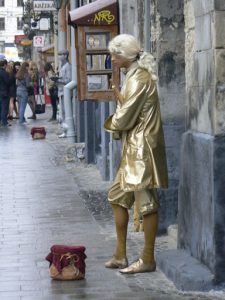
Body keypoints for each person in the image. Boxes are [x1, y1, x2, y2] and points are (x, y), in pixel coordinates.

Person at [104, 34, 168, 274]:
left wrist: (114, 119)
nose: (112, 60)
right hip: (134, 148)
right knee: (117, 196)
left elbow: (125, 117)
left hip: (142, 150)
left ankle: (148, 259)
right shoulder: (134, 76)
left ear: (124, 56)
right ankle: (121, 254)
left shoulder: (138, 78)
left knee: (147, 203)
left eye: (114, 55)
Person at [56, 50, 71, 123]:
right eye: (59, 55)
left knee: (66, 110)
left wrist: (59, 81)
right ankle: (65, 128)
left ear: (65, 56)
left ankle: (67, 127)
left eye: (61, 55)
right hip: (61, 91)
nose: (59, 56)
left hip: (66, 92)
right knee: (62, 111)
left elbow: (68, 80)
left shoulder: (67, 66)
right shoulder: (62, 65)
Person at [0, 59, 10, 127]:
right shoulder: (4, 72)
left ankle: (1, 121)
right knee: (4, 107)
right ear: (5, 65)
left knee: (0, 107)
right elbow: (7, 82)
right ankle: (4, 122)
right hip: (4, 92)